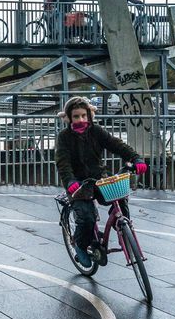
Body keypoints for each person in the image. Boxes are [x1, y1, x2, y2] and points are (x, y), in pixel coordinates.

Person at [55, 96, 147, 269]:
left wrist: (136, 158)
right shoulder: (64, 137)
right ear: (69, 118)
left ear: (89, 116)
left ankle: (122, 226)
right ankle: (80, 247)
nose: (81, 119)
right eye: (76, 116)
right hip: (78, 184)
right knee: (86, 219)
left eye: (84, 115)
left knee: (120, 198)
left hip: (99, 178)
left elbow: (117, 145)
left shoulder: (96, 131)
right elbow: (63, 162)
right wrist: (70, 181)